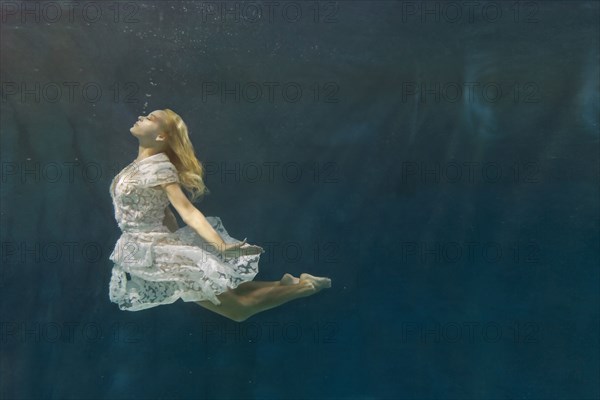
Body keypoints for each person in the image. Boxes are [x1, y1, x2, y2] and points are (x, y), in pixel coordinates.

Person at [108, 109, 331, 322]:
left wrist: (219, 246)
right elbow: (164, 212)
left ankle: (305, 287)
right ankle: (285, 284)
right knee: (223, 288)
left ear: (160, 136)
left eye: (150, 118)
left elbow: (188, 211)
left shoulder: (159, 168)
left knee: (238, 310)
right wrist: (180, 246)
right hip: (148, 250)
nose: (141, 117)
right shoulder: (137, 167)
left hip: (154, 252)